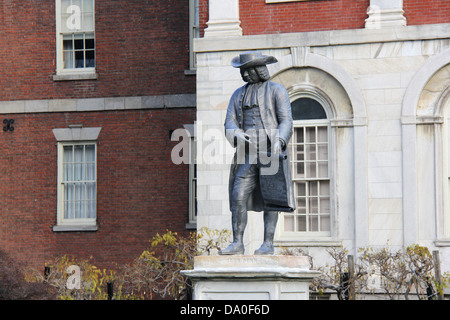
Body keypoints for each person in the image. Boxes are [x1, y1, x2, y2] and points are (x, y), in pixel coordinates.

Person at [220, 51, 295, 255]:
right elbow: (230, 121)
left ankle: (268, 243)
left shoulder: (276, 90)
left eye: (247, 70)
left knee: (272, 196)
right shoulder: (238, 94)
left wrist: (280, 140)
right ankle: (237, 242)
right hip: (247, 152)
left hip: (270, 149)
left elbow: (286, 120)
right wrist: (235, 133)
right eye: (242, 71)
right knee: (238, 195)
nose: (244, 75)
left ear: (258, 70)